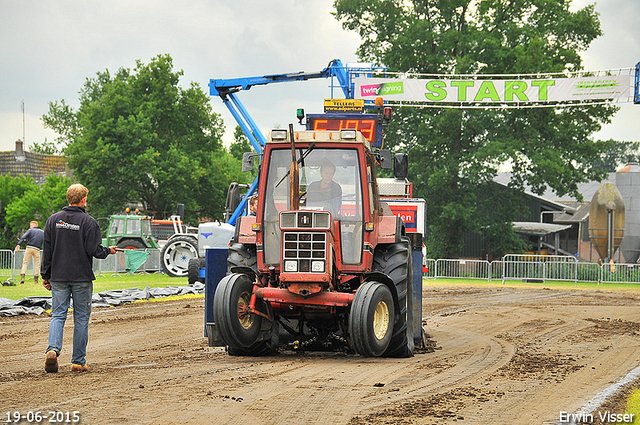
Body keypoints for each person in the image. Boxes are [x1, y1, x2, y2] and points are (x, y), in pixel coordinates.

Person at [41, 184, 116, 373]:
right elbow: (94, 250)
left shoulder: (53, 220)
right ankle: (78, 361)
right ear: (83, 200)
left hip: (58, 276)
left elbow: (47, 250)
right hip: (81, 277)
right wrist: (109, 251)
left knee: (58, 315)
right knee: (81, 318)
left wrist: (46, 275)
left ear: (68, 198)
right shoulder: (89, 222)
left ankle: (52, 350)